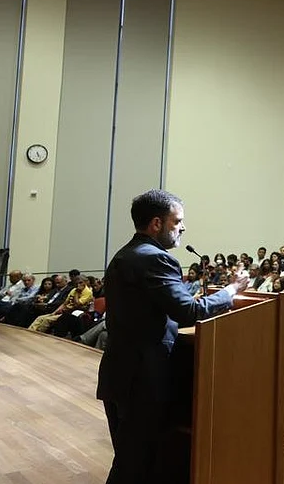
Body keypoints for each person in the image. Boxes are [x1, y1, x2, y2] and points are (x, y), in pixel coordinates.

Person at [98, 190, 249, 484]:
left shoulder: (125, 254)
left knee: (130, 457)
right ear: (157, 223)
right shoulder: (156, 259)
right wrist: (231, 291)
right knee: (135, 464)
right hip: (142, 378)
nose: (182, 227)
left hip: (119, 371)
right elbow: (189, 312)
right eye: (177, 221)